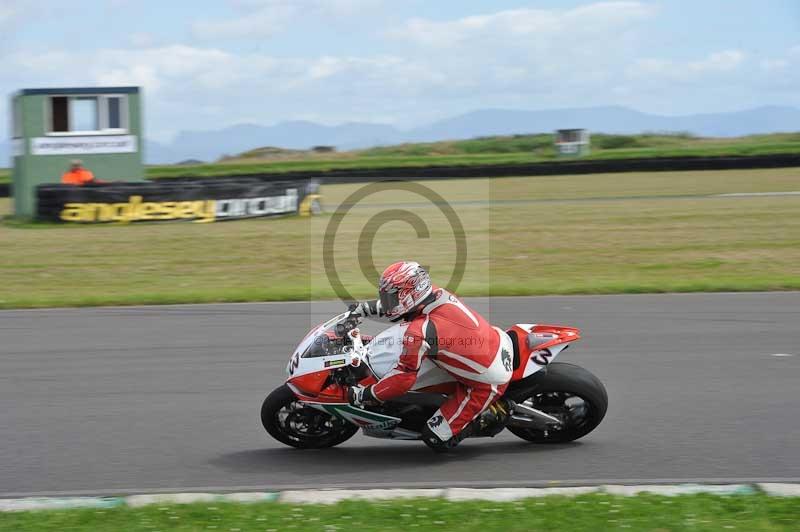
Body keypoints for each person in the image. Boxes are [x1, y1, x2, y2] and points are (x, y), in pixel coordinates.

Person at [346, 261, 514, 450]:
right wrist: (363, 309)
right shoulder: (437, 294)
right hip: (494, 341)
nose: (387, 301)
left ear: (410, 294)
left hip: (487, 381)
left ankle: (491, 415)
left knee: (435, 437)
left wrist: (368, 394)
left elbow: (403, 378)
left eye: (390, 297)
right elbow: (400, 308)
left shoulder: (419, 332)